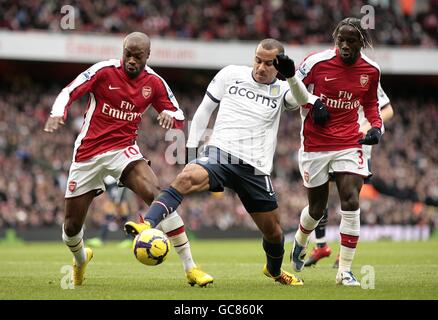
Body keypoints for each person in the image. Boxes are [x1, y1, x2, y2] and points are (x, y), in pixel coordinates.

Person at [125, 38, 329, 286]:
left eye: (268, 63)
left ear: (278, 66)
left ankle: (274, 271)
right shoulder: (230, 74)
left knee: (274, 233)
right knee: (186, 177)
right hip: (220, 154)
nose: (261, 67)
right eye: (257, 60)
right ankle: (147, 223)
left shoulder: (284, 89)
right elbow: (203, 111)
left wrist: (291, 76)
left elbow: (301, 99)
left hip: (255, 167)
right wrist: (191, 151)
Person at [43, 32, 213, 287]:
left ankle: (191, 268)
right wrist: (58, 113)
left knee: (160, 197)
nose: (131, 61)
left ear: (147, 56)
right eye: (128, 55)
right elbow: (70, 91)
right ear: (122, 51)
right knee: (71, 227)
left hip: (123, 150)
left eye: (137, 56)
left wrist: (169, 116)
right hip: (88, 153)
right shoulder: (104, 71)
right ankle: (80, 259)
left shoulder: (154, 82)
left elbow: (177, 113)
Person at [290, 17, 383, 286]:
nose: (343, 45)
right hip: (315, 144)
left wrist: (376, 127)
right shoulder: (316, 62)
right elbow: (292, 86)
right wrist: (312, 101)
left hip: (349, 142)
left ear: (361, 43)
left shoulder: (372, 71)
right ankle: (300, 239)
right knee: (317, 208)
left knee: (351, 200)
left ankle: (344, 271)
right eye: (340, 40)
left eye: (350, 41)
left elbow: (371, 103)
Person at [304, 83, 394, 268]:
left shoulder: (367, 75)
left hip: (356, 146)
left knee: (349, 198)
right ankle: (321, 245)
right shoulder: (329, 71)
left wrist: (367, 127)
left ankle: (343, 255)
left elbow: (387, 109)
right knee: (321, 198)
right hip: (331, 143)